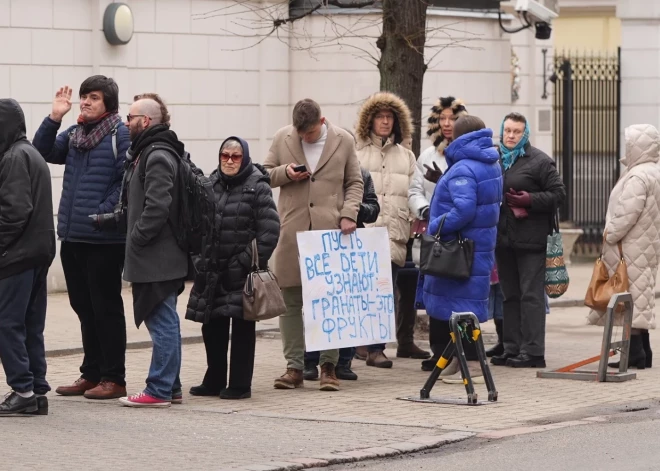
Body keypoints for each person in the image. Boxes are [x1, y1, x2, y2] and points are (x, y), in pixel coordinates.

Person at [33, 76, 129, 400]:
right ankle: (92, 373)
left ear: (109, 104)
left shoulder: (120, 134)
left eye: (94, 98)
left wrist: (102, 211)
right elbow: (41, 151)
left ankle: (114, 377)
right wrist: (55, 116)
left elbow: (125, 181)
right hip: (74, 236)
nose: (86, 102)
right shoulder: (75, 135)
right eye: (84, 97)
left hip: (104, 237)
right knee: (83, 307)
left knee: (106, 307)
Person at [264, 99, 363, 391]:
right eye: (300, 133)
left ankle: (328, 367)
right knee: (291, 302)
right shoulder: (283, 137)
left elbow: (354, 182)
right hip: (291, 232)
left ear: (322, 121)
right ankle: (294, 367)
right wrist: (287, 173)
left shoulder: (343, 140)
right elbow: (263, 174)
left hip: (329, 232)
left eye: (309, 133)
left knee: (327, 301)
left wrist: (348, 214)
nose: (304, 138)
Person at [186, 137, 280, 398]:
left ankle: (239, 385)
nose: (229, 160)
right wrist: (198, 259)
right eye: (225, 155)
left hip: (242, 274)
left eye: (235, 157)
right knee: (211, 325)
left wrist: (244, 262)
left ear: (245, 158)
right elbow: (196, 226)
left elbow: (269, 232)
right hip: (212, 271)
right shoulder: (211, 184)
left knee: (241, 329)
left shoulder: (258, 187)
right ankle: (214, 379)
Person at [118, 96, 190, 407]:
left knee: (162, 320)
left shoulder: (157, 155)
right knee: (165, 319)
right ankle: (170, 386)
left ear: (145, 121)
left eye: (130, 117)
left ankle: (158, 388)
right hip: (158, 254)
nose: (126, 122)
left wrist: (136, 237)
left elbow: (158, 207)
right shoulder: (152, 151)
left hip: (157, 255)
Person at [421, 116, 502, 384]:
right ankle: (459, 360)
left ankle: (474, 364)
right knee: (462, 307)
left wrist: (436, 225)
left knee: (461, 308)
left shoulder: (464, 168)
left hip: (459, 249)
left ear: (458, 137)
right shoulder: (488, 163)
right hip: (477, 248)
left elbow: (464, 209)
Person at [491, 112, 566, 368]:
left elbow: (559, 194)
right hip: (504, 240)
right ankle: (512, 348)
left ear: (526, 134)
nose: (511, 136)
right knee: (509, 295)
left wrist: (530, 201)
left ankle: (533, 353)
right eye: (508, 130)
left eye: (517, 132)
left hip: (532, 242)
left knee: (530, 296)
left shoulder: (540, 161)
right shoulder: (496, 159)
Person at [0, 99, 56, 415]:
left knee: (7, 324)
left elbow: (14, 212)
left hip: (16, 256)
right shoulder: (30, 153)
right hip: (36, 253)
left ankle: (22, 389)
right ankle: (36, 390)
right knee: (30, 324)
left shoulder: (13, 157)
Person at [588, 124, 660, 370]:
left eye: (629, 144)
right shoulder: (653, 172)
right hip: (646, 246)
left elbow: (626, 214)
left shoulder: (638, 176)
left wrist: (609, 233)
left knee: (630, 298)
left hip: (630, 248)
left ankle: (634, 353)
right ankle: (643, 352)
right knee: (640, 297)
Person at [354, 91, 417, 368]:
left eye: (389, 117)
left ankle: (377, 348)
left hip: (393, 231)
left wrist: (414, 217)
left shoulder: (406, 156)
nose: (385, 122)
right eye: (379, 116)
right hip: (364, 230)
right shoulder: (356, 154)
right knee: (358, 291)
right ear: (369, 121)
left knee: (385, 292)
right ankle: (357, 344)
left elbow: (414, 191)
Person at [303, 166, 380, 382]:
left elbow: (374, 208)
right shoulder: (316, 172)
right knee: (315, 303)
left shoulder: (363, 174)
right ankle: (309, 361)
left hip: (350, 246)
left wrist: (351, 211)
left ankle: (343, 361)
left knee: (348, 304)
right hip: (318, 243)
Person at [408, 97, 468, 372]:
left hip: (459, 235)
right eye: (442, 119)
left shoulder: (466, 157)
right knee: (433, 294)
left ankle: (459, 351)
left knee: (456, 295)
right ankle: (438, 351)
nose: (447, 124)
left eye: (452, 119)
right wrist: (426, 211)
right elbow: (414, 191)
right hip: (433, 234)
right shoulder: (427, 156)